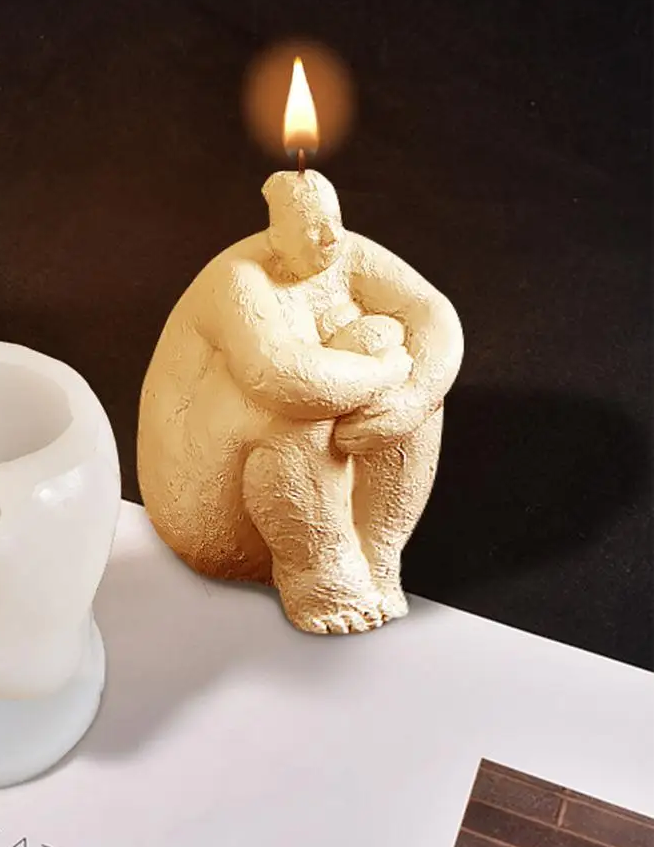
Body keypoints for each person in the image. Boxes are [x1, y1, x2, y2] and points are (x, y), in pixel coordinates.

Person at [137, 169, 464, 634]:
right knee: (292, 408)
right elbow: (280, 375)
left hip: (313, 470)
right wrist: (387, 370)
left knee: (396, 355)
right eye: (313, 228)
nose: (331, 237)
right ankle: (318, 573)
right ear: (277, 237)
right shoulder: (237, 279)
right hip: (206, 509)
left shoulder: (347, 253)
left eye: (334, 221)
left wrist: (413, 396)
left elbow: (433, 313)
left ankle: (376, 555)